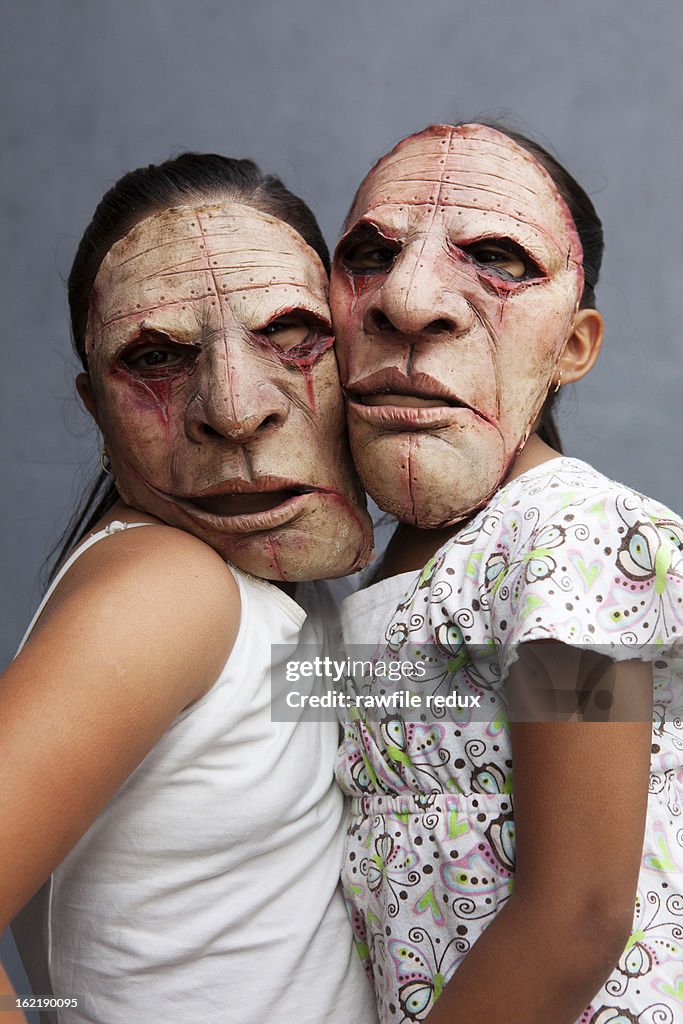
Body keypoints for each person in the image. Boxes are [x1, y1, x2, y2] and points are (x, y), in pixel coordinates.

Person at [0, 153, 379, 1024]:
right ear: (95, 411)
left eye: (290, 333)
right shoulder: (168, 590)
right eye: (157, 357)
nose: (236, 409)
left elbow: (451, 695)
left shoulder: (264, 587)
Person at [329, 123, 683, 1023]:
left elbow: (578, 915)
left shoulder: (581, 539)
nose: (408, 300)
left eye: (496, 258)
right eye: (369, 253)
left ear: (573, 346)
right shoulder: (370, 573)